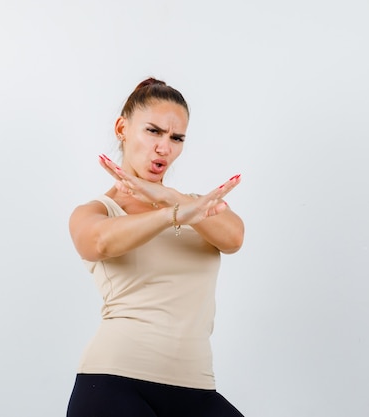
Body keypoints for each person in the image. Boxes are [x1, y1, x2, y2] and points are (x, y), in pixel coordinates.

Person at [66, 77, 245, 417]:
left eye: (176, 138)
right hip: (114, 385)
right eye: (153, 131)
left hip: (196, 389)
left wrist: (168, 199)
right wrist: (172, 215)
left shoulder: (197, 207)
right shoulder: (96, 212)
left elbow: (234, 238)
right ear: (122, 128)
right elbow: (97, 242)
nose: (165, 147)